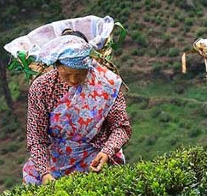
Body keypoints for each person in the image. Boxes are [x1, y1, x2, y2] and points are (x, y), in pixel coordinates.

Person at [23, 30, 130, 185]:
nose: (73, 80)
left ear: (89, 65)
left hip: (96, 159)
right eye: (66, 74)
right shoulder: (42, 88)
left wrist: (107, 151)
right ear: (56, 65)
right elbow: (36, 137)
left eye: (80, 75)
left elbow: (121, 128)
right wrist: (45, 172)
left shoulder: (107, 84)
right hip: (53, 162)